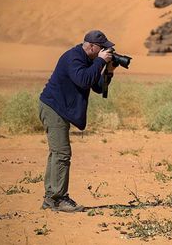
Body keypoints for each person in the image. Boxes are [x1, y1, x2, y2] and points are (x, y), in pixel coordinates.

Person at [38, 30, 117, 212]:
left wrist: (109, 70)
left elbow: (97, 87)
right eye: (102, 48)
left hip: (59, 108)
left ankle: (51, 198)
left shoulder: (88, 60)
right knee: (62, 153)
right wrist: (100, 61)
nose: (105, 51)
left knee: (57, 153)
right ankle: (58, 199)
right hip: (53, 108)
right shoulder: (73, 57)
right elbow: (83, 80)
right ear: (91, 46)